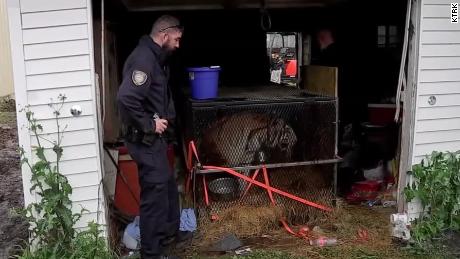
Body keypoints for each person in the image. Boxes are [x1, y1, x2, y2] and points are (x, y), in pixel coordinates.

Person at [117, 15, 184, 259]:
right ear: (164, 35)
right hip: (144, 139)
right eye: (176, 39)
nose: (178, 44)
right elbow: (126, 98)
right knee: (155, 193)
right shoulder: (144, 59)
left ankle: (168, 234)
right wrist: (149, 124)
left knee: (166, 184)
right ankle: (152, 253)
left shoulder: (156, 58)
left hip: (154, 140)